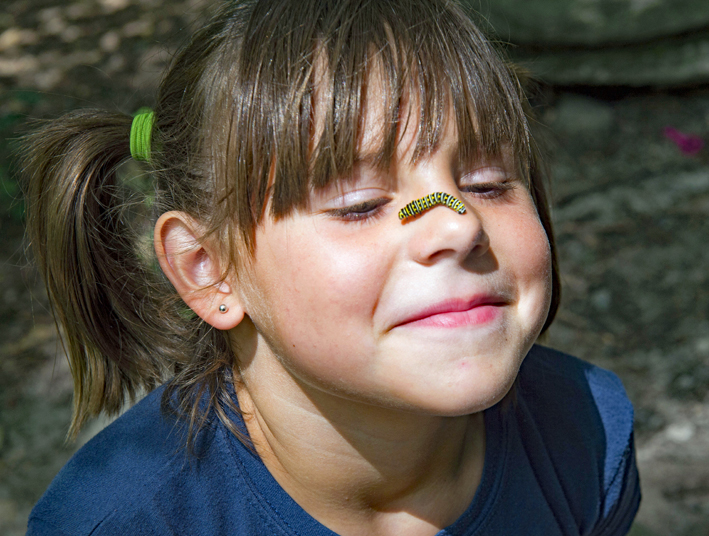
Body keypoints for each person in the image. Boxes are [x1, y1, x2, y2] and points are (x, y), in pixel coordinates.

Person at [22, 0, 640, 534]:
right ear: (208, 268)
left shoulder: (587, 434)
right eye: (360, 205)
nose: (457, 223)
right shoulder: (121, 524)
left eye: (486, 182)